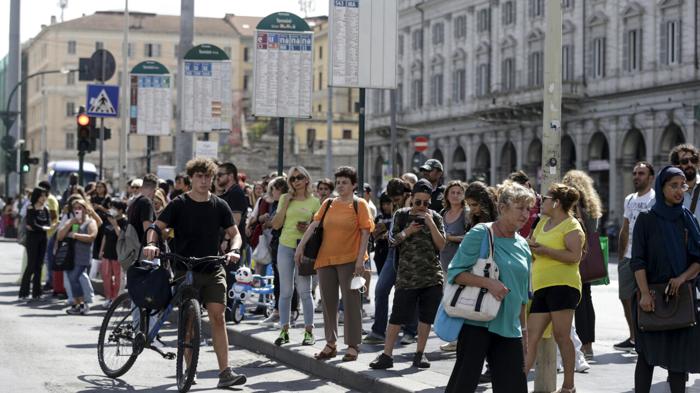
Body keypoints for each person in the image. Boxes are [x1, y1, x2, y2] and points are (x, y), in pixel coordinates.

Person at [143, 157, 246, 388]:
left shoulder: (219, 204)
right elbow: (155, 228)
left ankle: (225, 373)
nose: (204, 180)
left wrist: (235, 248)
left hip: (212, 266)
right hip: (185, 267)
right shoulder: (179, 204)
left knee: (218, 317)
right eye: (199, 176)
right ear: (191, 178)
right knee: (189, 321)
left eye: (208, 176)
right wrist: (151, 244)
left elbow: (235, 233)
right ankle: (190, 369)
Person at [445, 181, 534, 393]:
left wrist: (524, 334)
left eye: (528, 209)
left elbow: (523, 296)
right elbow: (455, 273)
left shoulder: (523, 245)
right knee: (463, 385)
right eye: (520, 207)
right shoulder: (481, 233)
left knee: (513, 387)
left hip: (509, 329)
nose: (526, 214)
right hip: (477, 323)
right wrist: (489, 283)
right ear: (502, 208)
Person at [631, 165, 700, 393]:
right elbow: (638, 261)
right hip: (649, 296)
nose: (680, 190)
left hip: (680, 297)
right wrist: (643, 294)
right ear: (661, 188)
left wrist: (682, 278)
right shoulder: (646, 219)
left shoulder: (687, 219)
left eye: (682, 186)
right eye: (673, 186)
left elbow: (698, 259)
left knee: (678, 362)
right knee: (646, 357)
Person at [296, 166, 374, 362]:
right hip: (325, 260)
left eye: (345, 182)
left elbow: (365, 232)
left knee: (351, 303)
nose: (340, 186)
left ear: (354, 185)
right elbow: (314, 225)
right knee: (328, 304)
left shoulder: (360, 204)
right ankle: (330, 344)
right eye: (338, 182)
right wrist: (300, 248)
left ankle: (353, 346)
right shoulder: (329, 203)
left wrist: (359, 260)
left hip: (350, 261)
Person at [370, 179, 446, 370]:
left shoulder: (435, 217)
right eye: (418, 202)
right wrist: (408, 231)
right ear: (411, 198)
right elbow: (392, 241)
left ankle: (420, 354)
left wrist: (430, 222)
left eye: (426, 203)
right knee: (396, 317)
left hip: (431, 277)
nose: (421, 206)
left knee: (425, 318)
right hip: (406, 276)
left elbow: (442, 244)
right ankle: (387, 355)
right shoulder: (401, 215)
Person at [524, 184, 585, 393]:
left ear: (557, 202)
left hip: (563, 285)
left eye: (545, 197)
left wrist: (546, 251)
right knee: (531, 335)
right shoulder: (542, 223)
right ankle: (515, 382)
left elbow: (574, 256)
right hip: (541, 286)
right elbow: (534, 249)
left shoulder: (571, 225)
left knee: (561, 335)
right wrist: (529, 248)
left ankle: (569, 386)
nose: (541, 201)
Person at [362, 178, 419, 345]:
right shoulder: (396, 206)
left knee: (409, 292)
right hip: (392, 252)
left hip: (409, 254)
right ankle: (379, 330)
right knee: (380, 290)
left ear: (405, 194)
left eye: (396, 199)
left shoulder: (412, 203)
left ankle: (410, 330)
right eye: (392, 199)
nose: (394, 202)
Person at [270, 166, 320, 346]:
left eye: (299, 177)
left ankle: (309, 332)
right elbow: (275, 225)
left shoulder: (315, 202)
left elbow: (319, 228)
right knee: (285, 291)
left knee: (305, 291)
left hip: (305, 248)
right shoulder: (285, 198)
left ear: (307, 179)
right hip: (285, 245)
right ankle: (284, 331)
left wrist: (307, 228)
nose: (296, 181)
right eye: (292, 179)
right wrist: (285, 204)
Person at [562, 169, 604, 359]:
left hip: (576, 256)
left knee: (577, 301)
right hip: (589, 257)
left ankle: (580, 344)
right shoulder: (592, 207)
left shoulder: (574, 206)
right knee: (587, 299)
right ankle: (588, 345)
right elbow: (594, 230)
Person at [614, 162, 655, 352]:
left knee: (644, 297)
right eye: (635, 173)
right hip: (628, 257)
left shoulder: (655, 199)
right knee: (625, 298)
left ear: (651, 177)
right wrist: (622, 256)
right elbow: (625, 227)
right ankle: (633, 336)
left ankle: (646, 335)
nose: (636, 176)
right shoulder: (629, 199)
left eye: (641, 173)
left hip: (645, 259)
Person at [259, 176, 300, 326]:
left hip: (286, 242)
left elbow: (276, 223)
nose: (272, 192)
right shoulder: (276, 203)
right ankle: (277, 311)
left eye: (274, 189)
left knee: (288, 280)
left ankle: (291, 312)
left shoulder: (285, 203)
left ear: (280, 189)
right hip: (276, 242)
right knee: (278, 278)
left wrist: (268, 221)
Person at [438, 180, 469, 352]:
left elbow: (471, 237)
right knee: (448, 300)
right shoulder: (443, 213)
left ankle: (459, 338)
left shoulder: (467, 213)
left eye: (459, 192)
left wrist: (452, 238)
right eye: (452, 192)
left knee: (461, 300)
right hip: (444, 261)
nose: (455, 195)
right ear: (447, 195)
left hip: (461, 263)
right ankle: (453, 338)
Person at [217, 162, 250, 321]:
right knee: (225, 277)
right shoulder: (228, 193)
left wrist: (225, 239)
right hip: (226, 244)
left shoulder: (236, 193)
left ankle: (230, 311)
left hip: (232, 244)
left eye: (220, 175)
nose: (217, 178)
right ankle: (226, 310)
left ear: (230, 176)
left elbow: (235, 221)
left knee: (230, 277)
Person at [59, 198, 98, 315]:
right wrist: (70, 223)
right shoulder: (72, 221)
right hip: (71, 257)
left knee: (74, 278)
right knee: (72, 280)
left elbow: (92, 236)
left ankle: (83, 305)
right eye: (75, 208)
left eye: (80, 207)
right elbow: (60, 236)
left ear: (85, 209)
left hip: (83, 257)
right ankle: (78, 305)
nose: (77, 210)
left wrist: (75, 235)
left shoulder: (90, 222)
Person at [18, 187, 51, 301]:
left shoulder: (46, 209)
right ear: (37, 196)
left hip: (43, 238)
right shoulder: (30, 208)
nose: (43, 198)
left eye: (45, 196)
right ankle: (23, 293)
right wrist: (42, 227)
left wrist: (39, 227)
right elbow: (31, 223)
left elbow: (48, 223)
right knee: (31, 265)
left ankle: (37, 292)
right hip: (32, 239)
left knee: (39, 266)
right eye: (42, 195)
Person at [99, 200, 128, 308]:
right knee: (106, 276)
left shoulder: (125, 221)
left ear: (120, 210)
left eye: (115, 208)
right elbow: (105, 236)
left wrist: (115, 224)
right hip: (107, 253)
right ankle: (109, 298)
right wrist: (101, 250)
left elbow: (122, 236)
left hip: (118, 254)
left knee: (118, 278)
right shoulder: (109, 219)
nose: (112, 210)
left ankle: (117, 299)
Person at [669, 143, 700, 222]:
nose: (690, 164)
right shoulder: (668, 191)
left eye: (693, 160)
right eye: (684, 161)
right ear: (676, 166)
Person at [89, 181, 111, 280]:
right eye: (97, 187)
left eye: (101, 187)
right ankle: (93, 269)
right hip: (94, 224)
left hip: (105, 224)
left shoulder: (107, 198)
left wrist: (101, 207)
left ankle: (102, 270)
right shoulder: (93, 198)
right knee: (95, 245)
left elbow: (111, 211)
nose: (99, 189)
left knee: (103, 245)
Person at [127, 174, 157, 244]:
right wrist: (151, 245)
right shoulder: (146, 202)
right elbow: (147, 229)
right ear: (155, 190)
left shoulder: (135, 203)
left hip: (133, 248)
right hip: (143, 250)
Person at [372, 192, 393, 275]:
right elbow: (373, 234)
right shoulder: (379, 218)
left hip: (392, 253)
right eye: (383, 204)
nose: (385, 207)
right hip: (380, 253)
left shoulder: (397, 216)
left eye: (388, 204)